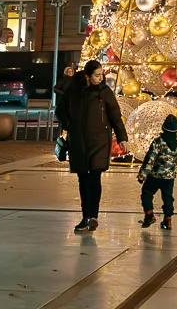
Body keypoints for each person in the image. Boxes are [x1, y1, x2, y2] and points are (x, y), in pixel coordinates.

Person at [56, 60, 128, 233]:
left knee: (95, 176)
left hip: (99, 141)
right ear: (87, 76)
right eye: (97, 75)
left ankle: (93, 216)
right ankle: (85, 217)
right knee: (83, 179)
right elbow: (60, 110)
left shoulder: (104, 92)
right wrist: (69, 125)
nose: (100, 78)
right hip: (78, 141)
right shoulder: (74, 91)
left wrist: (121, 137)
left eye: (101, 74)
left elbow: (115, 116)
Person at [137, 114, 177, 230]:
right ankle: (168, 220)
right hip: (169, 177)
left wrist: (142, 175)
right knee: (168, 198)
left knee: (146, 193)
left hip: (155, 175)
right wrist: (170, 165)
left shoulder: (158, 142)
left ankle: (149, 215)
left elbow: (150, 159)